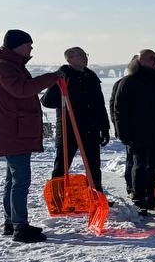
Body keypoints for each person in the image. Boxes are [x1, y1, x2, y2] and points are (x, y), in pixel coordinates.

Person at [0, 29, 65, 243]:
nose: (31, 48)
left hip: (14, 129)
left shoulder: (10, 64)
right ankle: (19, 227)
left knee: (13, 180)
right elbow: (22, 90)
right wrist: (52, 77)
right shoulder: (2, 66)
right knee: (20, 180)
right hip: (13, 131)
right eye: (28, 44)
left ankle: (12, 222)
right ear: (17, 45)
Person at [112, 50, 155, 212]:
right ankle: (138, 197)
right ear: (140, 61)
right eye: (151, 58)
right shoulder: (129, 82)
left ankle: (152, 195)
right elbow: (119, 109)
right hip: (138, 131)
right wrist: (122, 132)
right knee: (140, 165)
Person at [40, 47, 109, 189]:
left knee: (94, 166)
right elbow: (47, 101)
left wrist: (104, 127)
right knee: (62, 165)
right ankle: (58, 195)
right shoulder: (62, 76)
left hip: (90, 127)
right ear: (69, 59)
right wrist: (60, 88)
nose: (85, 58)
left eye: (85, 55)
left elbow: (99, 105)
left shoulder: (91, 77)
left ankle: (96, 193)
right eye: (80, 55)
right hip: (68, 128)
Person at [108, 59, 135, 198]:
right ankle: (131, 186)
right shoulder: (122, 83)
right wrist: (118, 128)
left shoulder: (153, 81)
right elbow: (115, 108)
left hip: (150, 128)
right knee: (132, 159)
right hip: (131, 129)